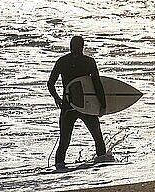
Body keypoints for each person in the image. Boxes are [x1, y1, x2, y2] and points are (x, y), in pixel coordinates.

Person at [47, 36, 111, 169]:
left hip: (68, 105)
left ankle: (59, 168)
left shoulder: (62, 61)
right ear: (82, 46)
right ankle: (102, 163)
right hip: (86, 105)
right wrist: (102, 105)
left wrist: (57, 98)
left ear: (70, 46)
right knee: (98, 138)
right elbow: (96, 84)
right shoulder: (88, 62)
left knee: (64, 141)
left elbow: (50, 84)